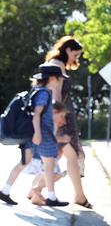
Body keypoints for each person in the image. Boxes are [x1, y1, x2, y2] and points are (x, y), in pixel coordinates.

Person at [45, 35, 92, 208]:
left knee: (58, 156)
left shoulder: (59, 65)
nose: (76, 58)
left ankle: (35, 189)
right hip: (62, 118)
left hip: (64, 117)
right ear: (67, 50)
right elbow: (55, 93)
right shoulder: (56, 65)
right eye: (76, 54)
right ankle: (79, 196)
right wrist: (59, 119)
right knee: (72, 155)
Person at [30, 63, 70, 207]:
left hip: (44, 133)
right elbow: (37, 113)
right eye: (59, 78)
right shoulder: (44, 93)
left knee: (48, 167)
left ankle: (43, 194)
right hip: (44, 134)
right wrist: (38, 133)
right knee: (49, 167)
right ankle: (49, 196)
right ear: (52, 78)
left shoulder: (41, 90)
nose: (60, 80)